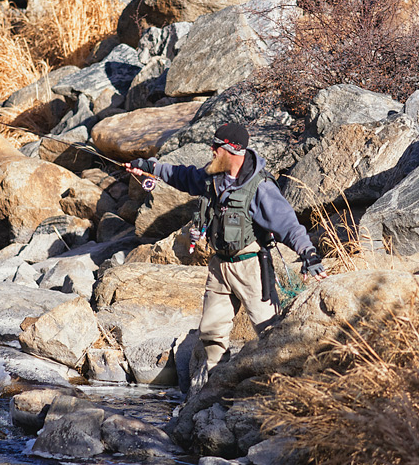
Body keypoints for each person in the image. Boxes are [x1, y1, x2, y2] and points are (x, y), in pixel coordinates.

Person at [125, 122, 327, 395]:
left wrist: (309, 255)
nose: (211, 151)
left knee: (271, 332)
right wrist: (150, 167)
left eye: (216, 147)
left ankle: (288, 391)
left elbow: (288, 225)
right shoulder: (213, 177)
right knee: (211, 332)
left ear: (232, 150)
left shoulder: (260, 187)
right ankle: (215, 390)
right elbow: (182, 176)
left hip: (252, 267)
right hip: (218, 267)